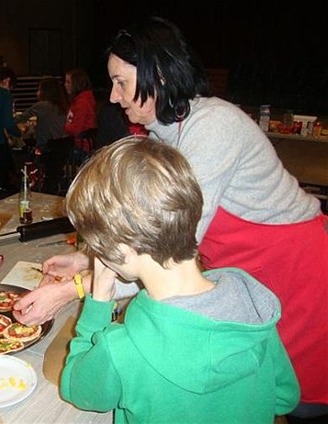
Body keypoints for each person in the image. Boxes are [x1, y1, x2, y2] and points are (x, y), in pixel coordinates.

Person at [14, 16, 328, 419]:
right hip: (238, 277)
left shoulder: (213, 127)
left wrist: (73, 290)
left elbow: (160, 251)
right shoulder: (163, 133)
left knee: (303, 403)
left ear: (158, 74)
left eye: (121, 82)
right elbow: (154, 241)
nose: (113, 96)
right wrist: (87, 259)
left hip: (292, 275)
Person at [59, 136, 299, 423]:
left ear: (122, 251)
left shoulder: (122, 349)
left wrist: (98, 302)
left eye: (96, 247)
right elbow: (285, 397)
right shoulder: (253, 308)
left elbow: (78, 389)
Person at [63, 68, 97, 157]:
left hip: (81, 147)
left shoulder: (82, 102)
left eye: (68, 82)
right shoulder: (78, 100)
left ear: (76, 84)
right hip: (77, 143)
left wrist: (64, 126)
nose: (65, 85)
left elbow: (76, 129)